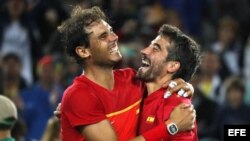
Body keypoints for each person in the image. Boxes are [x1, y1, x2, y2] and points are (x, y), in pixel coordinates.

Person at [58, 6, 195, 141]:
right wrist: (172, 126)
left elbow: (161, 85)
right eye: (103, 36)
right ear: (83, 51)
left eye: (110, 31)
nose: (114, 37)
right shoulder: (79, 95)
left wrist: (183, 86)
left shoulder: (132, 79)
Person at [137, 24, 200, 140]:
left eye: (155, 49)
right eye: (149, 46)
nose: (144, 51)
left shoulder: (178, 109)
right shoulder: (135, 89)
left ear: (172, 66)